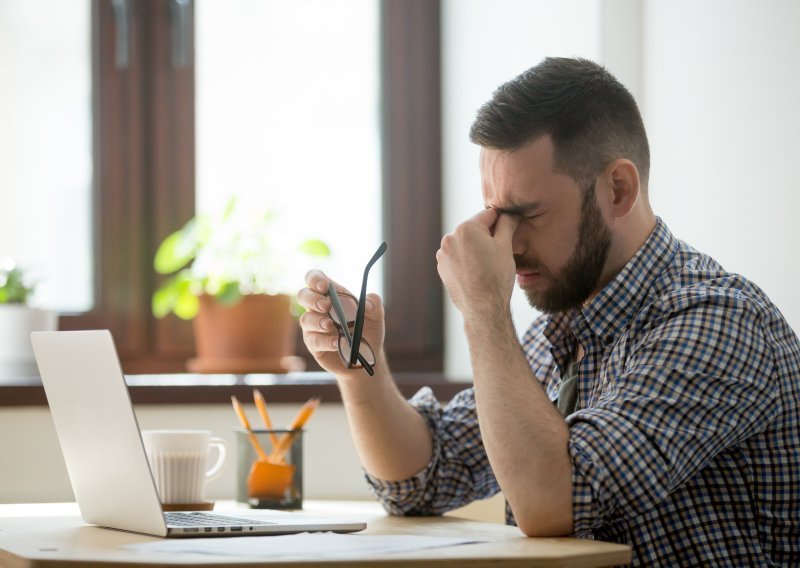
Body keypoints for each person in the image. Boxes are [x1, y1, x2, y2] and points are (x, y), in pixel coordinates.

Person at [297, 57, 800, 566]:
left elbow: (555, 503)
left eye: (526, 213)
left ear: (618, 189)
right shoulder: (559, 332)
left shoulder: (718, 322)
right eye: (495, 214)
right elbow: (420, 478)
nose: (506, 242)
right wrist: (361, 368)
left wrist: (483, 309)